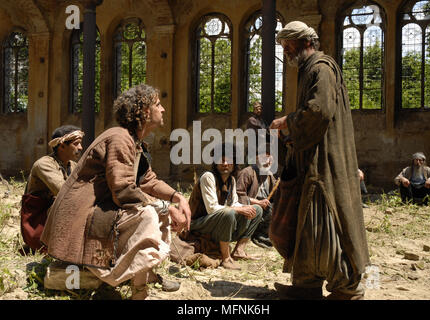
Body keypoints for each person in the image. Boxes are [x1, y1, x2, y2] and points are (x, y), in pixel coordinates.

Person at [41, 85, 191, 300]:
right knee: (149, 214)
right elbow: (123, 190)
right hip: (81, 214)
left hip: (99, 208)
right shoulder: (120, 138)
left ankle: (144, 274)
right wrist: (167, 208)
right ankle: (139, 291)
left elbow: (147, 180)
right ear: (145, 111)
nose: (164, 109)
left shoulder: (134, 142)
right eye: (158, 104)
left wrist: (177, 198)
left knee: (157, 212)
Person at [269, 21, 370, 300]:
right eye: (283, 46)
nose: (286, 51)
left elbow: (319, 111)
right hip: (312, 159)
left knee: (324, 224)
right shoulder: (309, 69)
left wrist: (287, 122)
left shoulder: (320, 68)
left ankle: (346, 287)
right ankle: (306, 284)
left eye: (288, 45)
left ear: (305, 42)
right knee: (308, 227)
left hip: (323, 164)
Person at [188, 144, 263, 270]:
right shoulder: (208, 177)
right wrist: (238, 209)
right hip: (198, 224)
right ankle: (226, 258)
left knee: (257, 210)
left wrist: (246, 208)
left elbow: (234, 203)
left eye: (229, 160)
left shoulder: (231, 180)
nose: (225, 163)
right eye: (221, 160)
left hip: (219, 223)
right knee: (229, 213)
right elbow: (212, 208)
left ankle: (239, 250)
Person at [20, 125, 84, 253]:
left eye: (80, 144)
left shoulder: (74, 165)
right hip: (37, 221)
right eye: (76, 144)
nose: (80, 148)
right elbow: (64, 192)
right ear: (61, 146)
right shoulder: (44, 164)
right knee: (66, 202)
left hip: (51, 216)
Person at [237, 149, 277, 248]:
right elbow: (238, 196)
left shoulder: (270, 175)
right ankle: (259, 235)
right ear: (256, 158)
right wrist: (258, 202)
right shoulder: (247, 172)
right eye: (264, 158)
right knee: (269, 210)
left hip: (265, 207)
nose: (267, 162)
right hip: (249, 208)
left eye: (270, 159)